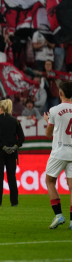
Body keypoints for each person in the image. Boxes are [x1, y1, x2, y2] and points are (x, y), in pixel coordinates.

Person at [43, 81, 72, 229]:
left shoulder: (54, 110)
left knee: (50, 182)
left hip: (59, 152)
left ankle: (59, 215)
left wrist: (48, 121)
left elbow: (48, 134)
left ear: (60, 93)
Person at [0, 99, 25, 207]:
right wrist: (15, 146)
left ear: (1, 108)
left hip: (0, 153)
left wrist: (2, 147)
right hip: (12, 153)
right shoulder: (15, 121)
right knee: (12, 177)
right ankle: (14, 202)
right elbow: (22, 137)